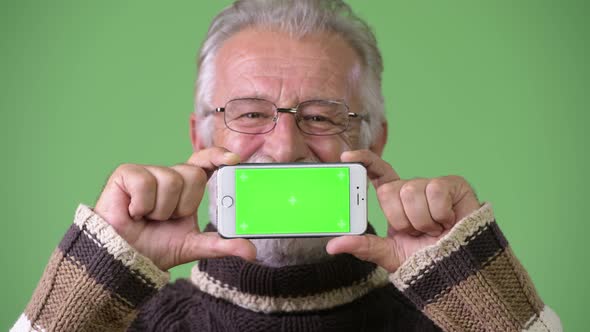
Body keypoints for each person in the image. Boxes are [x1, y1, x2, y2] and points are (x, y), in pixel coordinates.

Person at [12, 1, 562, 331]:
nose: (283, 148)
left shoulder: (460, 316)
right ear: (200, 135)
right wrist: (97, 276)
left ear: (375, 138)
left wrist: (489, 306)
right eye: (250, 114)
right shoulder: (112, 320)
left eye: (322, 116)